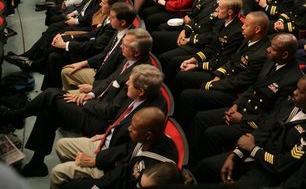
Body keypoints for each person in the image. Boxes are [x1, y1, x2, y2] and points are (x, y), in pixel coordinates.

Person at [0, 28, 153, 176]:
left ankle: (14, 115)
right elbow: (110, 80)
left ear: (137, 52)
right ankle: (36, 163)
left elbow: (112, 110)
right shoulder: (130, 59)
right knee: (48, 110)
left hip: (101, 121)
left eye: (124, 46)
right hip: (97, 103)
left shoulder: (137, 77)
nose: (120, 47)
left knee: (50, 95)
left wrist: (86, 102)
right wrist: (91, 94)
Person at [194, 75, 306, 187]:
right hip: (256, 152)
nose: (294, 92)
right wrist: (236, 154)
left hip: (271, 171)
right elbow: (266, 128)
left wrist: (253, 149)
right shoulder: (293, 102)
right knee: (206, 167)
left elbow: (285, 164)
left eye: (300, 91)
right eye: (297, 88)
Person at [191, 33, 302, 161]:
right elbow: (254, 87)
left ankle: (205, 168)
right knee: (200, 118)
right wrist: (236, 104)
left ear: (285, 55)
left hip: (254, 124)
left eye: (273, 48)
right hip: (243, 108)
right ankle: (194, 162)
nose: (268, 49)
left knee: (212, 134)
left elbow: (275, 117)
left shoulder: (293, 79)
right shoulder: (272, 60)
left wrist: (242, 118)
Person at [50, 65, 166, 187]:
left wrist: (96, 160)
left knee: (58, 173)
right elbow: (119, 119)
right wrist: (106, 134)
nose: (126, 83)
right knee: (61, 145)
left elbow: (130, 149)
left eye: (130, 82)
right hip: (109, 140)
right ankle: (76, 178)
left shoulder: (149, 116)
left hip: (113, 159)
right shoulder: (137, 94)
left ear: (141, 91)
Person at [63, 107, 178, 189]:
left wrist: (97, 185)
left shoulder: (155, 169)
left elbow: (125, 180)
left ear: (147, 135)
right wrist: (97, 161)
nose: (128, 129)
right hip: (116, 173)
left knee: (66, 181)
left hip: (117, 181)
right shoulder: (152, 138)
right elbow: (125, 151)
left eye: (133, 128)